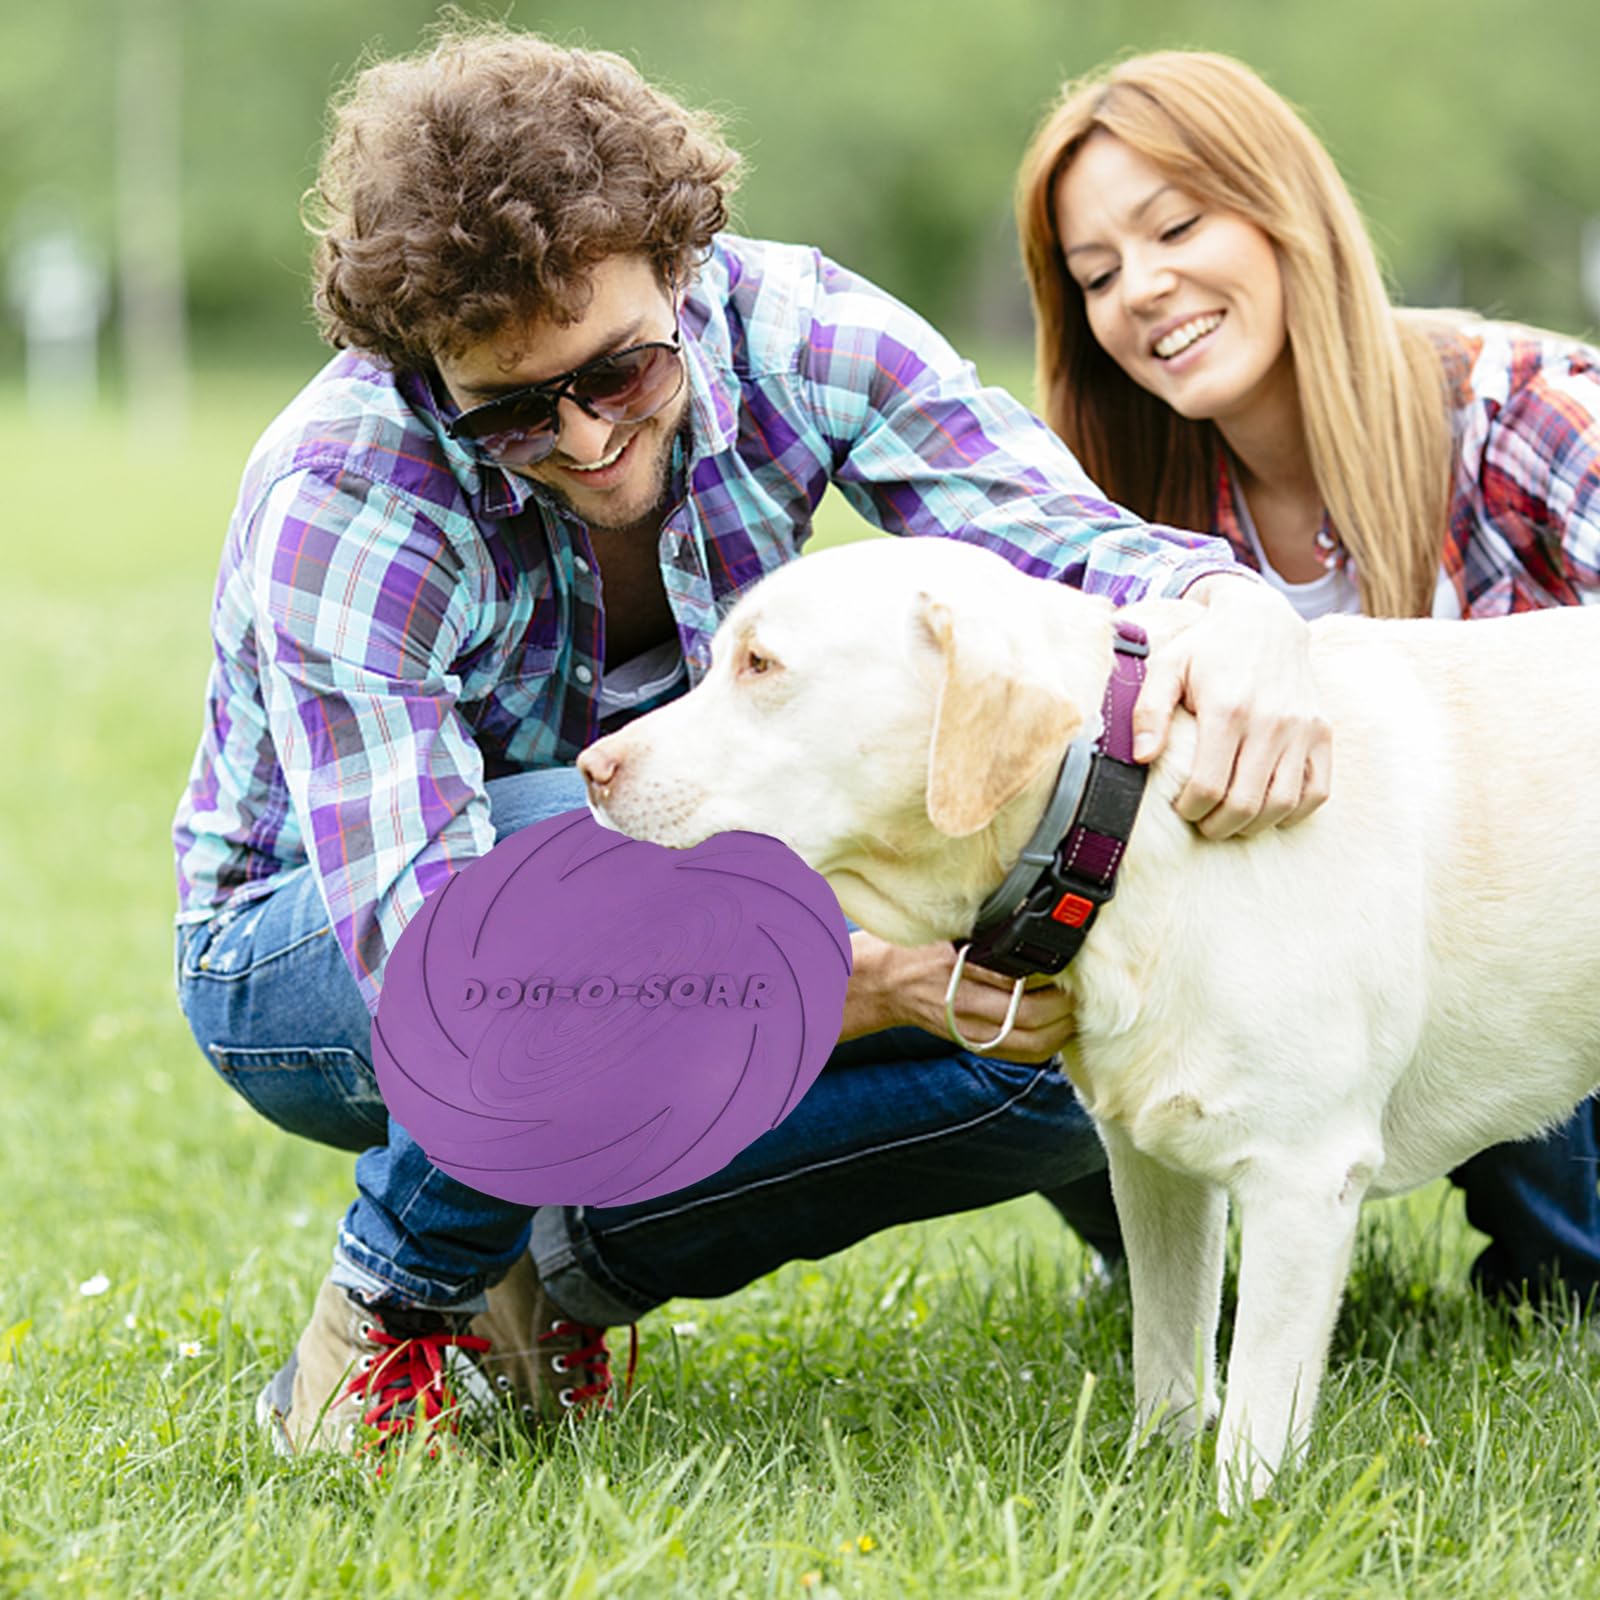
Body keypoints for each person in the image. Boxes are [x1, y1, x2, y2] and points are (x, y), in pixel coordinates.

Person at [172, 25, 1328, 1457]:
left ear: (682, 269)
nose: (587, 441)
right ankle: (387, 1310)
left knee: (1062, 988)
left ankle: (565, 1272)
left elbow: (1055, 542)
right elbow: (442, 971)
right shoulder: (346, 492)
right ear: (428, 376)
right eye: (515, 415)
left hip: (677, 859)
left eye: (619, 377)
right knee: (616, 880)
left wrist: (1238, 610)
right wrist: (883, 983)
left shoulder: (802, 331)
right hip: (310, 960)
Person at [1016, 48, 1600, 1305]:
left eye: (1175, 227)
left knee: (1569, 1263)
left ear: (1284, 210)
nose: (1143, 291)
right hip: (1263, 995)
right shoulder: (1121, 520)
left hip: (1510, 970)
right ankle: (1218, 1261)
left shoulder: (1527, 413)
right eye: (1097, 274)